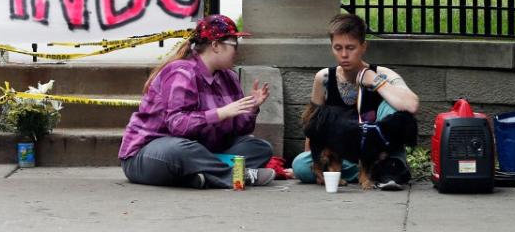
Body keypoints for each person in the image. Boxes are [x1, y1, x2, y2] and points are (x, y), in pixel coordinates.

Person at [119, 14, 276, 189]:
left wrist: (250, 109)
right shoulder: (181, 72)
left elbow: (240, 130)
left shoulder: (229, 77)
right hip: (150, 154)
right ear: (215, 45)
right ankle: (237, 175)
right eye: (234, 44)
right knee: (180, 150)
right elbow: (177, 125)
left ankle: (200, 176)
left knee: (259, 148)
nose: (237, 51)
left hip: (201, 151)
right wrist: (221, 113)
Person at [292, 13, 420, 190]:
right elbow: (314, 122)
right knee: (300, 165)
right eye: (338, 48)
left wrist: (374, 81)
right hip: (342, 152)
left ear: (363, 46)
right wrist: (313, 156)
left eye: (350, 48)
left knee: (393, 104)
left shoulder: (383, 74)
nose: (344, 55)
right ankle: (373, 172)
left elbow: (411, 105)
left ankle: (387, 165)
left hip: (376, 151)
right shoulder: (324, 78)